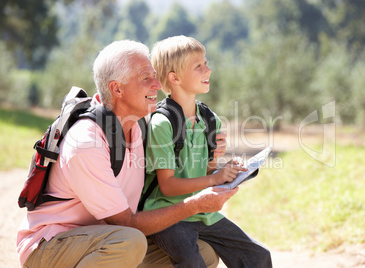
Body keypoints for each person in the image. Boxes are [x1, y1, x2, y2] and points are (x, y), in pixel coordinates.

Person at [16, 40, 237, 268]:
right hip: (52, 247)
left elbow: (173, 169)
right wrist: (195, 205)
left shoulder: (140, 126)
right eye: (145, 78)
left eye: (154, 76)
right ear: (117, 89)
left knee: (203, 253)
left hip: (107, 240)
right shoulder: (87, 142)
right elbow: (125, 222)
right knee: (129, 241)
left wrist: (211, 159)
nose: (157, 85)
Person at [142, 35, 273, 268]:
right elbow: (168, 185)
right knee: (193, 263)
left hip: (203, 213)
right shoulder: (162, 124)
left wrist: (220, 165)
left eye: (206, 62)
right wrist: (214, 177)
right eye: (199, 66)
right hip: (170, 214)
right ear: (174, 77)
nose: (208, 70)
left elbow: (205, 172)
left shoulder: (210, 120)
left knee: (258, 256)